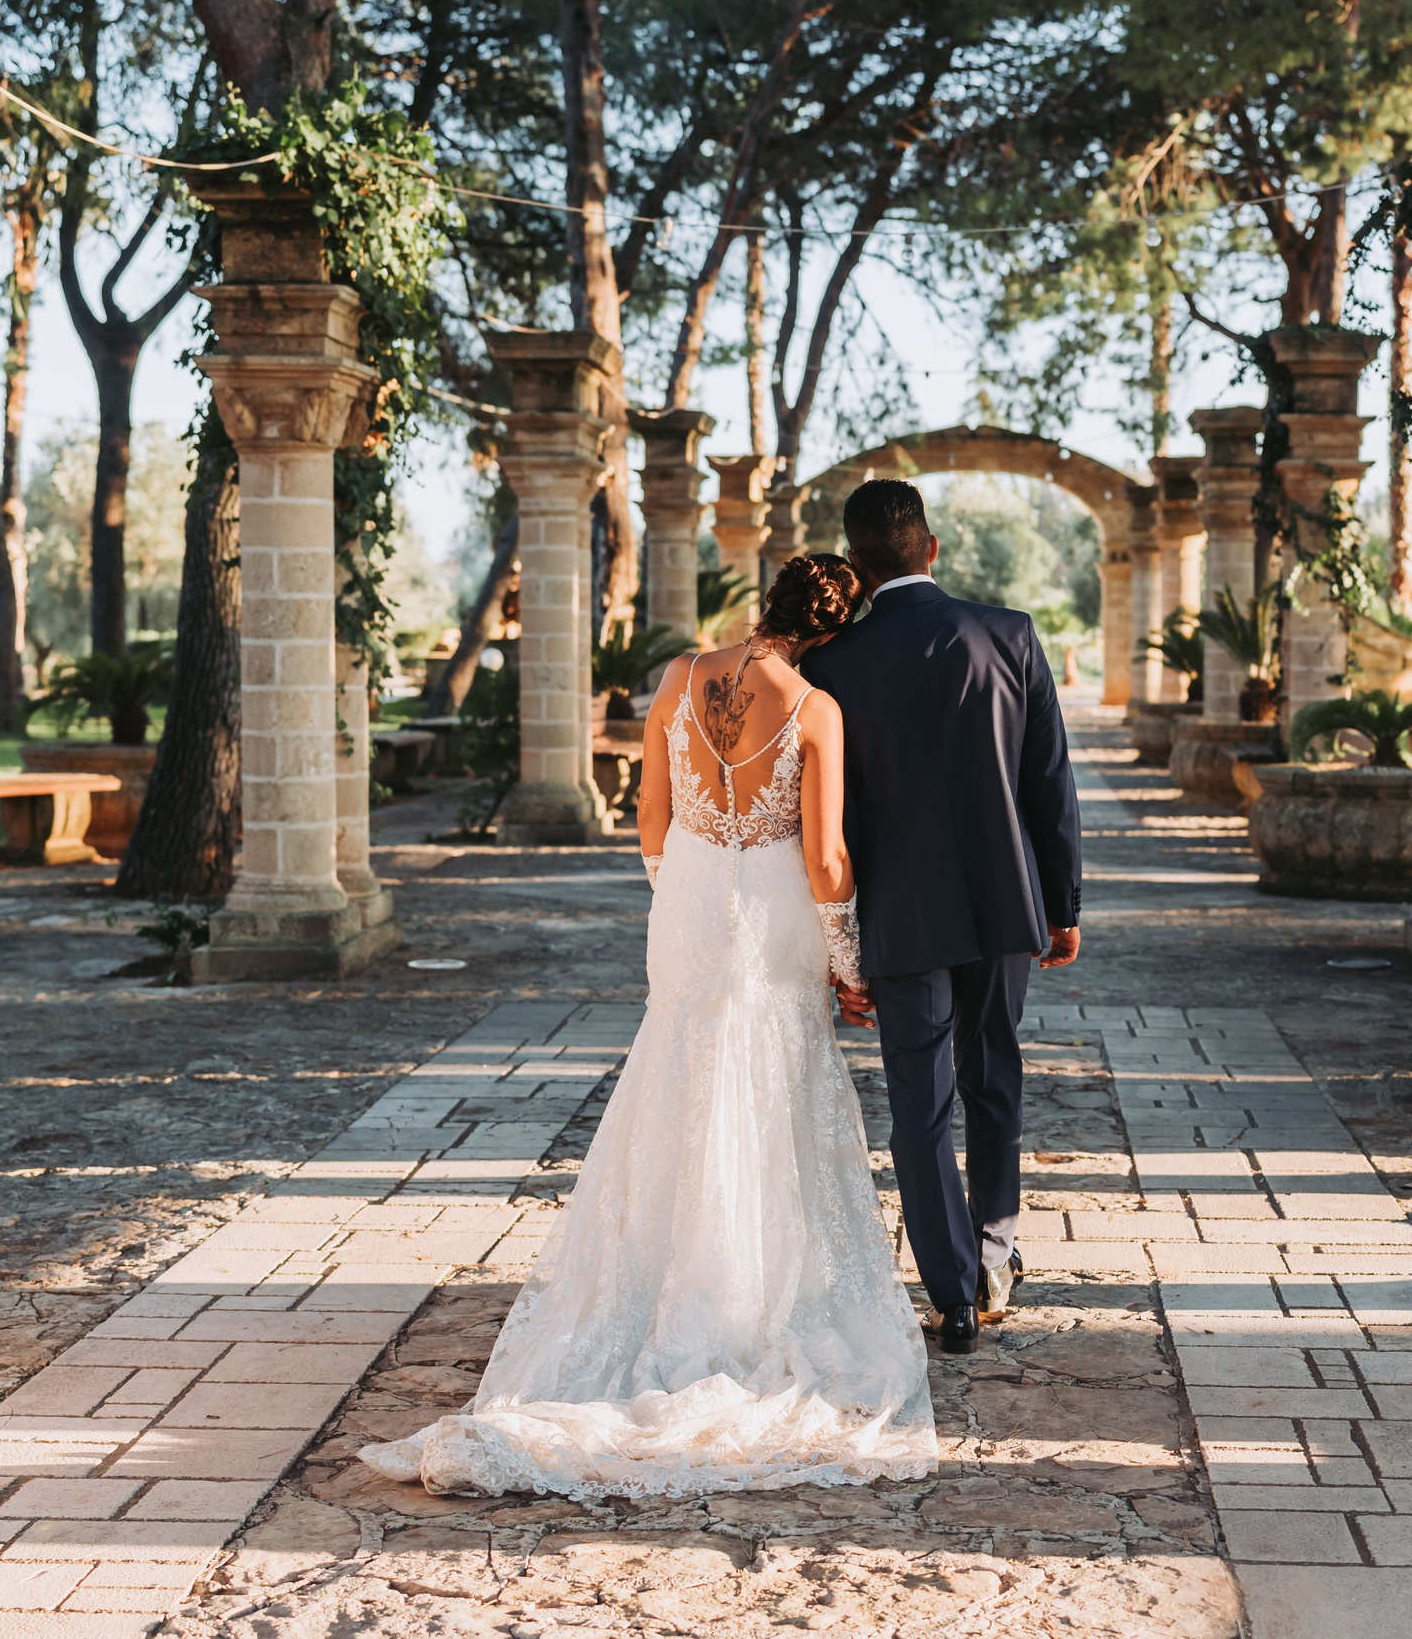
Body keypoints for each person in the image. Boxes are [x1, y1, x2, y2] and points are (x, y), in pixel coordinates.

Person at [360, 553, 936, 1499]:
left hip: (690, 910)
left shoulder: (680, 677)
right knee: (769, 1089)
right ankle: (741, 1298)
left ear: (770, 604)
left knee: (677, 1079)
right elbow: (827, 856)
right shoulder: (816, 709)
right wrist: (849, 959)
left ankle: (657, 1276)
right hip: (775, 920)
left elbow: (651, 818)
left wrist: (687, 901)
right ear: (828, 632)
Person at [802, 479, 1083, 1356]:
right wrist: (1061, 903)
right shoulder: (1009, 634)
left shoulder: (831, 664)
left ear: (857, 565)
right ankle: (994, 1253)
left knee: (918, 1104)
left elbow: (826, 817)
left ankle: (953, 1294)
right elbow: (1050, 782)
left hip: (898, 913)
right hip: (1005, 902)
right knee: (993, 1073)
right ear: (930, 546)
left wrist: (834, 942)